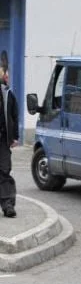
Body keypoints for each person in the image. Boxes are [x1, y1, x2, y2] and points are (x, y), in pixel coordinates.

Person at [0, 65, 19, 218]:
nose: (6, 76)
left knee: (4, 170)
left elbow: (14, 115)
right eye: (4, 74)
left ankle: (8, 205)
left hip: (3, 139)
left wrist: (15, 136)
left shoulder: (8, 94)